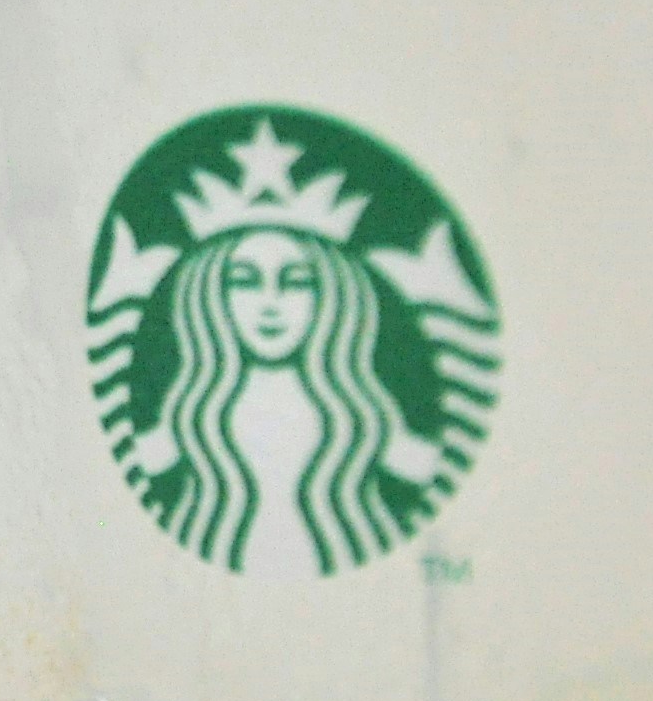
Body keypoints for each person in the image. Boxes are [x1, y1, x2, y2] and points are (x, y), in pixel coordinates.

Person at [121, 225, 445, 577]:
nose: (270, 303)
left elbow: (428, 470)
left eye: (295, 282)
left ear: (331, 296)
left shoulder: (358, 414)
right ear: (214, 298)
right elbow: (131, 471)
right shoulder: (195, 412)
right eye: (245, 282)